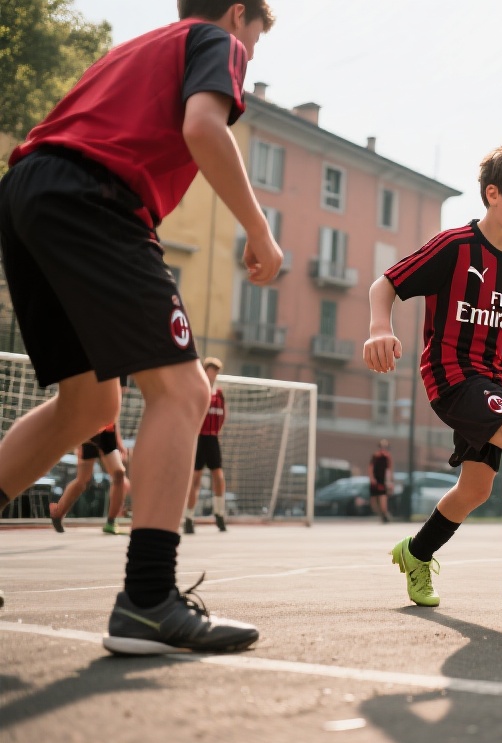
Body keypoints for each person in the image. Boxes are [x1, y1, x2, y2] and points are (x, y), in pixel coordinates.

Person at [0, 0, 281, 653]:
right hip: (95, 197)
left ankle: (148, 599)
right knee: (184, 391)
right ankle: (149, 600)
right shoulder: (217, 41)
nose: (249, 56)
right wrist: (259, 226)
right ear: (239, 15)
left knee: (89, 403)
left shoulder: (140, 48)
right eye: (256, 40)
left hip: (27, 190)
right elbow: (204, 127)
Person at [363, 138, 502, 610]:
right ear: (493, 194)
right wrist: (377, 329)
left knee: (475, 488)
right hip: (453, 374)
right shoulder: (454, 246)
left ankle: (416, 553)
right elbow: (385, 284)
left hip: (495, 379)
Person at [49, 421, 131, 535]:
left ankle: (111, 522)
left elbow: (113, 413)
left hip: (103, 431)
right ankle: (58, 513)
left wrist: (119, 441)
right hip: (90, 432)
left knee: (117, 474)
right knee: (85, 480)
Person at [184, 357, 229, 533]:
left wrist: (219, 429)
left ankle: (219, 513)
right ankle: (189, 517)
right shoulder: (198, 391)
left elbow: (223, 415)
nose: (214, 373)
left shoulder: (219, 394)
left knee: (218, 476)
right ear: (205, 370)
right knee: (195, 479)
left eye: (217, 370)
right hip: (199, 438)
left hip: (212, 438)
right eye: (212, 369)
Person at [369, 439, 393, 523]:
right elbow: (371, 467)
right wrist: (372, 478)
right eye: (382, 446)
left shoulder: (387, 457)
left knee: (383, 497)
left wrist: (389, 481)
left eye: (385, 446)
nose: (384, 448)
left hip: (383, 481)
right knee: (374, 500)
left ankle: (385, 514)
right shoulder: (375, 456)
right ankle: (381, 514)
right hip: (375, 480)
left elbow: (389, 470)